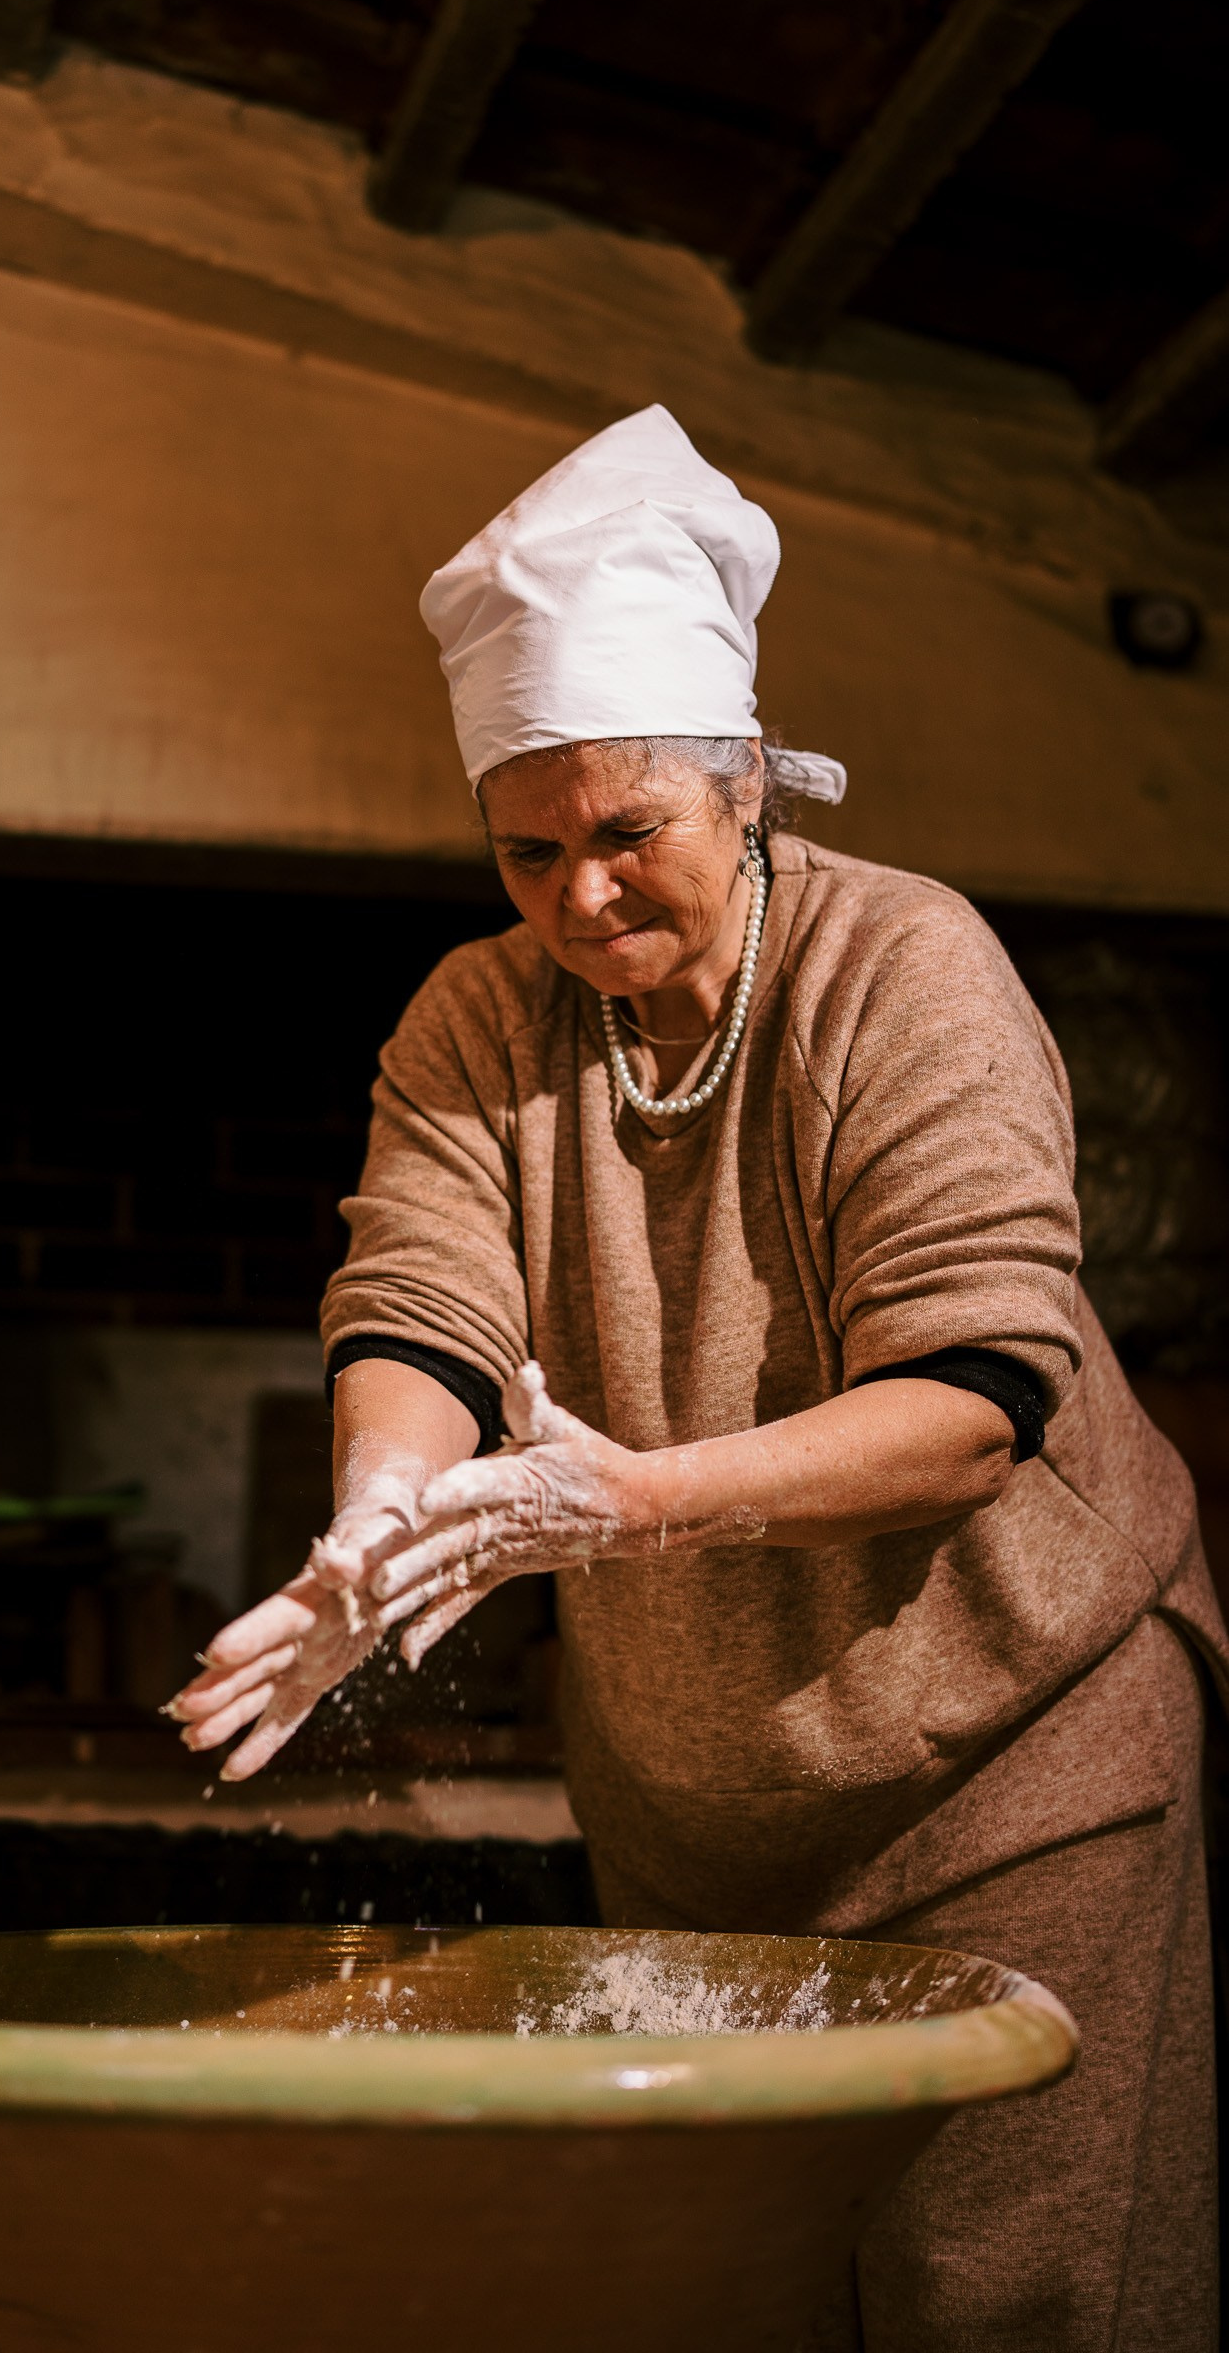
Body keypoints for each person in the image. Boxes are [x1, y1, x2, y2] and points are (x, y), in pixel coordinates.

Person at [166, 406, 1225, 2349]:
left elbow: (982, 1390)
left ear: (743, 779)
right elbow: (415, 1298)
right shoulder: (477, 1014)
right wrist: (378, 1523)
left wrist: (633, 1498)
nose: (575, 894)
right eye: (526, 845)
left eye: (625, 830)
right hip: (702, 1789)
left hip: (1015, 1742)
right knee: (742, 2287)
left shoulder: (899, 964)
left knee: (1000, 2288)